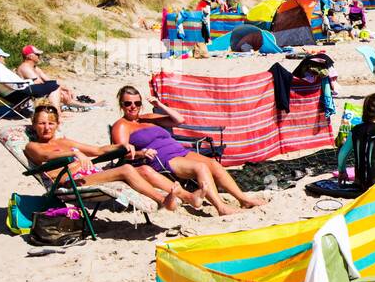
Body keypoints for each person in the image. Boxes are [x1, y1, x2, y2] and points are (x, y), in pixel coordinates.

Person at [109, 86, 267, 216]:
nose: (133, 107)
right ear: (121, 105)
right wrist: (141, 153)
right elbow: (121, 152)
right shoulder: (121, 126)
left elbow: (179, 120)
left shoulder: (147, 118)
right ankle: (221, 208)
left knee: (213, 163)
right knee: (201, 168)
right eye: (128, 104)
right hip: (161, 159)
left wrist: (160, 105)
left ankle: (243, 199)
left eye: (137, 103)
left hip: (179, 151)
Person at [25, 104, 188, 212]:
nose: (46, 128)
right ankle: (162, 200)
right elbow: (46, 156)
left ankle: (186, 195)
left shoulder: (63, 141)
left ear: (57, 125)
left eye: (50, 124)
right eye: (41, 123)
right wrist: (74, 153)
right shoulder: (33, 146)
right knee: (125, 169)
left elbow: (97, 150)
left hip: (90, 174)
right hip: (68, 182)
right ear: (34, 124)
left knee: (144, 169)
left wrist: (122, 146)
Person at [0, 46, 59, 110]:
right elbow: (12, 84)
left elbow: (10, 83)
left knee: (52, 84)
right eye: (3, 57)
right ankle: (57, 112)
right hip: (18, 94)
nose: (5, 59)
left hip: (15, 92)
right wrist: (29, 82)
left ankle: (54, 109)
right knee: (54, 86)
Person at [17, 45, 89, 109]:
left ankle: (85, 105)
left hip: (36, 92)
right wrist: (59, 89)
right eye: (37, 54)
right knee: (59, 92)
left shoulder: (34, 67)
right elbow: (38, 84)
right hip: (30, 96)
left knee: (59, 88)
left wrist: (66, 88)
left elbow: (48, 80)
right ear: (29, 56)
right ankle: (84, 106)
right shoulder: (25, 68)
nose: (39, 56)